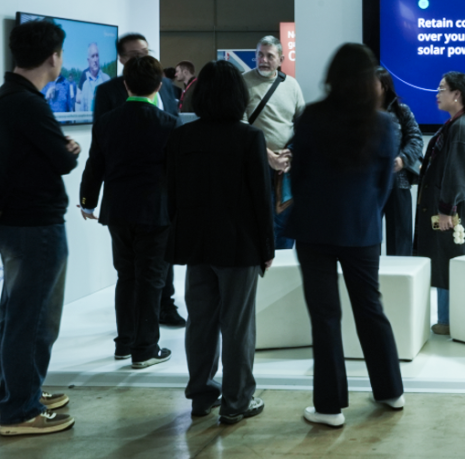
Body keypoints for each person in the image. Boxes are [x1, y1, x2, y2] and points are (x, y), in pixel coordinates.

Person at [284, 44, 405, 427]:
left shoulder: (312, 116)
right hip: (362, 230)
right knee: (371, 309)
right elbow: (384, 184)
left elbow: (298, 175)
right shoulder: (383, 123)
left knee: (325, 318)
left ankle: (330, 407)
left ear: (332, 75)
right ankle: (390, 391)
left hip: (314, 229)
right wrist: (366, 214)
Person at [166, 60, 275, 425]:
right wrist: (268, 248)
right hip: (239, 246)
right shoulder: (249, 137)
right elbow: (261, 200)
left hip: (196, 244)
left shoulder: (182, 137)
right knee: (237, 325)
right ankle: (236, 401)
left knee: (200, 322)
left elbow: (172, 195)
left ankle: (200, 395)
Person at [0, 19, 79, 436]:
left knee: (16, 313)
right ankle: (20, 409)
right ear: (53, 57)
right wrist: (69, 150)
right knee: (33, 319)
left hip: (15, 221)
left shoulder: (7, 96)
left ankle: (17, 392)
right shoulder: (30, 103)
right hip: (37, 224)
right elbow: (63, 158)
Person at [79, 55, 179, 369]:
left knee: (126, 276)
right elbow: (178, 174)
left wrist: (87, 201)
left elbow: (95, 165)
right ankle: (145, 349)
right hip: (156, 212)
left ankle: (124, 343)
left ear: (125, 85)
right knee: (151, 280)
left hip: (118, 211)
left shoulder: (107, 121)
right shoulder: (169, 124)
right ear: (158, 86)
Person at [93, 33, 184, 328]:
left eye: (145, 51)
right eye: (134, 54)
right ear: (121, 59)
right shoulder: (108, 92)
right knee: (133, 270)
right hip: (126, 193)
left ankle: (163, 308)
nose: (141, 57)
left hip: (159, 194)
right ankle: (140, 337)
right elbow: (101, 145)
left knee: (158, 264)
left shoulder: (165, 86)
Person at [414, 71, 465, 337]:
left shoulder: (462, 128)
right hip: (452, 213)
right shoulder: (458, 125)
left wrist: (446, 210)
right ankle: (447, 319)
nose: (437, 93)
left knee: (449, 264)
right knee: (446, 264)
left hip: (453, 215)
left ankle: (450, 320)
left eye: (442, 88)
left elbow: (459, 175)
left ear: (457, 94)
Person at [242, 36, 305, 249]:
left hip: (285, 167)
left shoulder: (292, 85)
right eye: (260, 54)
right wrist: (267, 155)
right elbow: (240, 126)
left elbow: (302, 125)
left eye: (270, 56)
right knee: (257, 220)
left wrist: (291, 154)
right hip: (255, 163)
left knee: (285, 223)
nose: (263, 60)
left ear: (281, 60)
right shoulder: (243, 82)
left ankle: (283, 264)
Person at [376, 68, 423, 256]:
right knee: (367, 236)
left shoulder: (401, 111)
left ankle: (400, 274)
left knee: (400, 238)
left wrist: (403, 159)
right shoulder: (360, 113)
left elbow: (416, 140)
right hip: (368, 184)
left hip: (398, 181)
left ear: (384, 86)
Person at [75, 42, 109, 113]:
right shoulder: (85, 81)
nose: (95, 59)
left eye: (97, 55)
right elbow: (78, 100)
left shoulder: (106, 79)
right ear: (88, 60)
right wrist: (88, 97)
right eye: (93, 56)